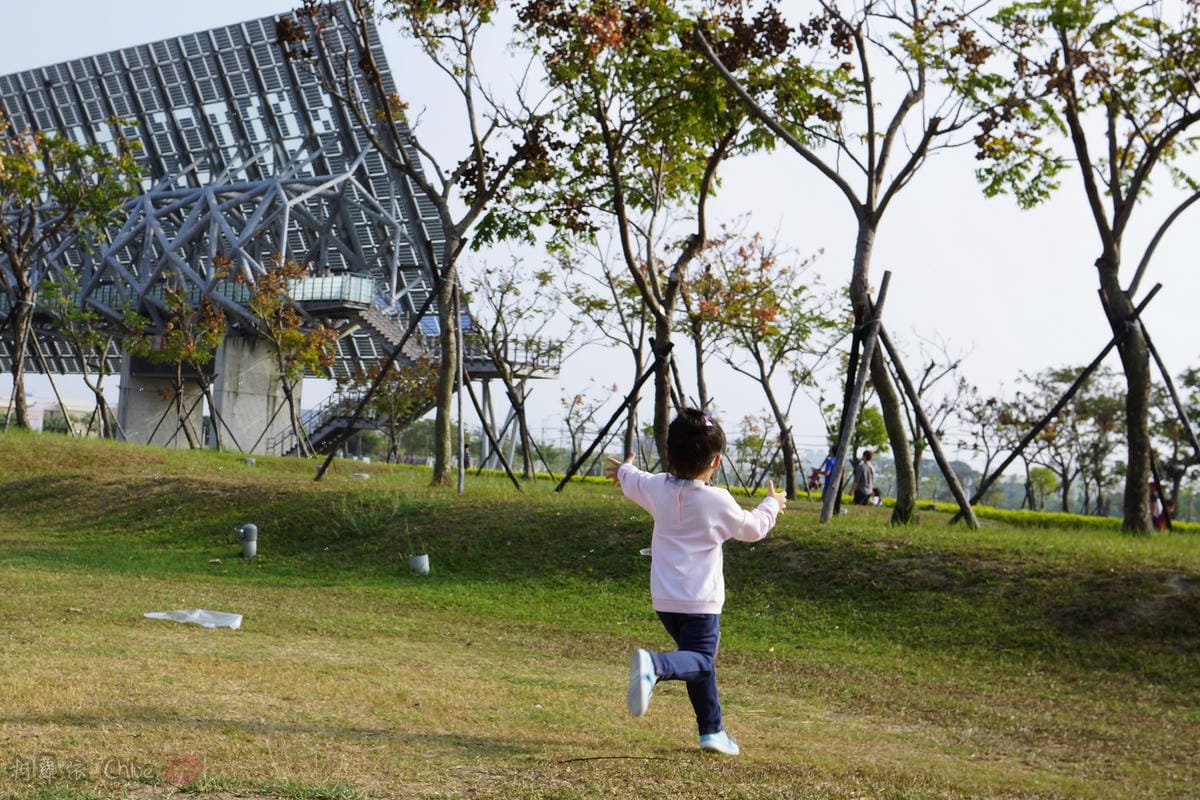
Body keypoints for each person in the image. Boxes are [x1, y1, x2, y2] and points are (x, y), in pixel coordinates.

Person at [604, 408, 786, 756]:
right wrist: (771, 503)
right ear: (715, 463)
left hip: (664, 600)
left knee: (697, 661)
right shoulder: (716, 500)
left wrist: (623, 469)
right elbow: (753, 529)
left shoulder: (656, 487)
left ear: (668, 453)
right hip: (699, 602)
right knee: (701, 660)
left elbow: (633, 479)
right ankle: (655, 666)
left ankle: (712, 731)